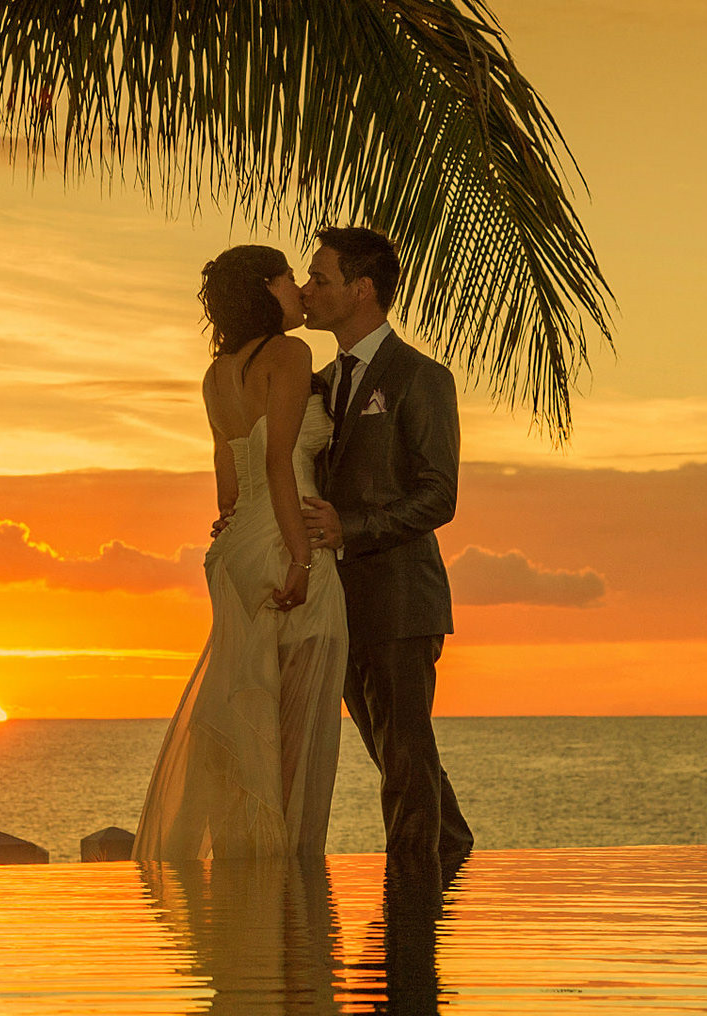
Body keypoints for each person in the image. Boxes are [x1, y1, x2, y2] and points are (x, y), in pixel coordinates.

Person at [133, 244, 348, 862]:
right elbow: (279, 460)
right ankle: (288, 878)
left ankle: (250, 875)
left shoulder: (217, 373)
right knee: (295, 725)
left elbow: (228, 481)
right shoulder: (289, 353)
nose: (297, 290)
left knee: (250, 708)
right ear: (264, 287)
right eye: (287, 278)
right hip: (287, 536)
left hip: (235, 549)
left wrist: (241, 534)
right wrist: (303, 560)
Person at [296, 226, 474, 866]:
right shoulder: (313, 385)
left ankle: (410, 921)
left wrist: (353, 529)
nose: (306, 289)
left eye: (320, 278)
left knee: (403, 760)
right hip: (336, 603)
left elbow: (438, 494)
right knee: (399, 756)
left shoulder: (420, 378)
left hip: (401, 601)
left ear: (362, 290)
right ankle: (449, 855)